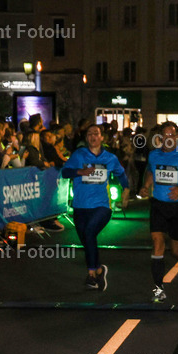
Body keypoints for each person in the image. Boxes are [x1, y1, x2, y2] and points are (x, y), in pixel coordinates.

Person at [139, 121, 178, 303]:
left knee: (176, 252)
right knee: (157, 242)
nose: (169, 138)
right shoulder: (154, 155)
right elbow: (150, 172)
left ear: (177, 136)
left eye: (172, 135)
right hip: (158, 205)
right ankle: (158, 288)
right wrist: (145, 186)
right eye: (165, 135)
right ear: (160, 137)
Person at [61, 124, 129, 291]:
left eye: (96, 134)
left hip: (102, 206)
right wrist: (80, 172)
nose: (93, 136)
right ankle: (99, 270)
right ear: (86, 138)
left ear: (102, 137)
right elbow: (64, 172)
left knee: (90, 232)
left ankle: (91, 275)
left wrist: (126, 190)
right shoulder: (79, 155)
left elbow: (121, 174)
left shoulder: (110, 158)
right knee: (87, 240)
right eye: (89, 134)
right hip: (80, 206)